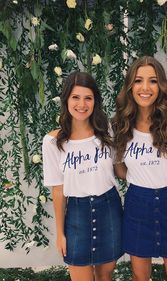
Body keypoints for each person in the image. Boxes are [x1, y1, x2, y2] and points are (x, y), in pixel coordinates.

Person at [112, 56, 167, 281]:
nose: (145, 88)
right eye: (138, 81)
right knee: (139, 278)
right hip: (137, 204)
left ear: (161, 86)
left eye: (153, 81)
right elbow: (120, 171)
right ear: (130, 86)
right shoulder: (121, 123)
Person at [42, 71, 123, 281]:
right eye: (75, 97)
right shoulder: (52, 142)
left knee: (105, 276)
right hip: (77, 214)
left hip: (109, 208)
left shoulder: (107, 132)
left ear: (95, 101)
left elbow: (120, 169)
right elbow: (58, 191)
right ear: (66, 100)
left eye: (88, 98)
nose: (82, 104)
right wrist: (60, 233)